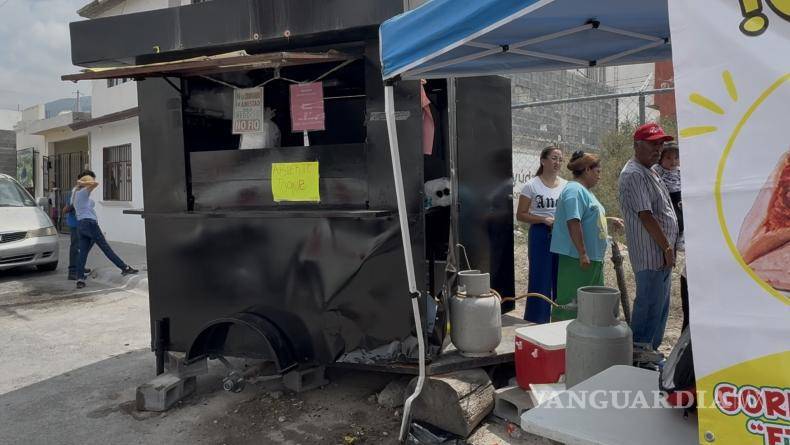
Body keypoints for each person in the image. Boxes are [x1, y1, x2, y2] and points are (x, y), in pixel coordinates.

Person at [618, 123, 679, 359]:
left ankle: (650, 353)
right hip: (651, 253)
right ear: (637, 145)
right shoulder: (633, 174)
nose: (658, 148)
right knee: (649, 306)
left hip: (662, 254)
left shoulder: (649, 170)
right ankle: (640, 355)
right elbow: (646, 215)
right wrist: (666, 246)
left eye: (661, 144)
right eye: (653, 144)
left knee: (660, 307)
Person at [550, 151, 623, 321]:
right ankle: (563, 339)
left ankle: (585, 339)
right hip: (577, 259)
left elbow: (587, 217)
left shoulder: (586, 192)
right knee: (572, 302)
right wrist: (582, 252)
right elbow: (573, 221)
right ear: (587, 170)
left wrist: (607, 220)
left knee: (591, 302)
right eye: (598, 171)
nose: (600, 176)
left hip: (592, 259)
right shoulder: (574, 190)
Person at [516, 147, 567, 323]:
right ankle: (536, 321)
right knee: (540, 278)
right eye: (554, 158)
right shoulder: (531, 185)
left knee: (561, 278)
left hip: (561, 235)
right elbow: (520, 214)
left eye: (560, 159)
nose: (557, 162)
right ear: (543, 160)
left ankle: (560, 319)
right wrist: (543, 219)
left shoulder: (566, 185)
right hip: (540, 234)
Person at [74, 170, 138, 289]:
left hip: (81, 225)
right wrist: (84, 182)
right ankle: (125, 268)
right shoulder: (83, 192)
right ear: (85, 181)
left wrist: (81, 183)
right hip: (90, 224)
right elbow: (95, 184)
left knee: (82, 253)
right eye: (90, 179)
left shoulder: (75, 192)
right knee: (106, 248)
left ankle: (80, 279)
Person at [652, 142, 689, 330]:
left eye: (676, 158)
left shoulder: (682, 174)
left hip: (680, 211)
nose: (673, 162)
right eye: (668, 158)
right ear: (661, 158)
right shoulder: (656, 173)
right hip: (665, 214)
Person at [61, 176, 91, 280]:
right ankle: (72, 271)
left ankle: (80, 266)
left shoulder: (85, 192)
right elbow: (66, 209)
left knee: (87, 243)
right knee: (75, 247)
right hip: (75, 224)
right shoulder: (74, 193)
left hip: (84, 222)